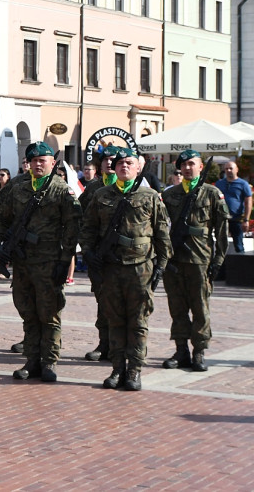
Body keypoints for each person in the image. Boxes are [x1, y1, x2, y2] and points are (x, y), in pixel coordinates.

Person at [80, 148, 171, 391]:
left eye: (129, 163)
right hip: (111, 268)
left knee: (138, 322)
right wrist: (88, 252)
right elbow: (87, 228)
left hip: (140, 268)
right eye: (120, 163)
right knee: (115, 321)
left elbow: (162, 234)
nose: (124, 167)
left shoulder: (150, 196)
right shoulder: (101, 195)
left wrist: (160, 266)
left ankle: (134, 371)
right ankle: (117, 368)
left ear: (138, 167)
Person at [0, 142, 81, 382]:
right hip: (23, 263)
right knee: (28, 313)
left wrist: (65, 260)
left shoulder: (61, 190)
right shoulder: (18, 189)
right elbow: (0, 217)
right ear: (29, 164)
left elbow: (72, 228)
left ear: (53, 163)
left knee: (49, 314)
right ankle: (32, 360)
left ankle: (49, 362)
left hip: (49, 263)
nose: (38, 164)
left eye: (43, 160)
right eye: (34, 161)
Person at [161, 150, 228, 372]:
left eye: (192, 164)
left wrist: (218, 260)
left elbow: (221, 231)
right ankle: (181, 351)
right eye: (184, 165)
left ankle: (199, 351)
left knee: (200, 307)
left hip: (200, 259)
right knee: (177, 307)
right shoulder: (170, 195)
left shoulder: (212, 194)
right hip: (174, 261)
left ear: (200, 167)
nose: (187, 168)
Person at [79, 145, 121, 362]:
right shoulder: (93, 188)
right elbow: (82, 221)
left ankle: (122, 348)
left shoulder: (133, 187)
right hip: (99, 257)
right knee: (103, 303)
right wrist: (86, 251)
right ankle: (104, 344)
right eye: (105, 160)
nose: (109, 163)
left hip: (125, 256)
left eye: (113, 159)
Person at [215, 162, 252, 253]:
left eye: (231, 168)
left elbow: (248, 202)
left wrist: (246, 220)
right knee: (220, 246)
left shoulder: (243, 184)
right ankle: (220, 267)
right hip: (222, 219)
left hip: (236, 219)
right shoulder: (219, 184)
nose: (228, 171)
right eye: (226, 169)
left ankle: (241, 266)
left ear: (236, 170)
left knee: (239, 246)